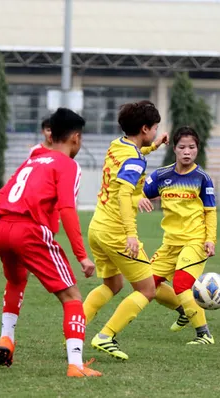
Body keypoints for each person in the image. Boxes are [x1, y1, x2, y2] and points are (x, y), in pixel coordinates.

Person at [0, 108, 102, 378]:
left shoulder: (33, 159)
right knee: (72, 297)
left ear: (50, 133)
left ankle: (6, 337)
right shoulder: (67, 164)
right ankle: (76, 365)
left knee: (16, 279)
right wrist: (81, 256)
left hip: (1, 229)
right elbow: (67, 209)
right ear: (76, 138)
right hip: (29, 232)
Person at [82, 100, 170, 361]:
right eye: (154, 128)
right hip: (117, 233)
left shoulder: (117, 144)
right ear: (144, 128)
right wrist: (131, 234)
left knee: (113, 283)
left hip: (97, 227)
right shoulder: (134, 160)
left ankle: (75, 328)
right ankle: (106, 336)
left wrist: (155, 146)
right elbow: (123, 193)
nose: (155, 132)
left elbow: (134, 157)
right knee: (147, 290)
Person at [139, 126, 218, 345]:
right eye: (182, 147)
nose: (186, 151)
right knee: (148, 285)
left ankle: (204, 334)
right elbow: (135, 190)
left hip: (195, 242)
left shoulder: (202, 178)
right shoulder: (162, 175)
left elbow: (210, 212)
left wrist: (210, 239)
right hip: (170, 243)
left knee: (182, 284)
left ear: (197, 150)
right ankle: (183, 309)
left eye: (191, 147)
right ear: (174, 148)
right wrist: (138, 197)